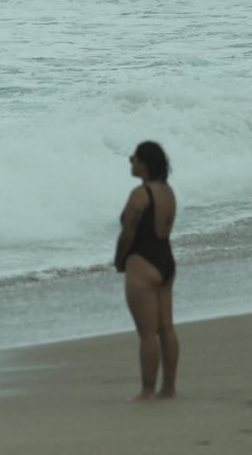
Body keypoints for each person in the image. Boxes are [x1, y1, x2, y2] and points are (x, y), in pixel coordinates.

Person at [114, 140, 178, 402]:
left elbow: (128, 233)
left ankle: (147, 391)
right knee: (166, 328)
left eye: (134, 158)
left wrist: (119, 260)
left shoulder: (140, 195)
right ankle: (169, 388)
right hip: (166, 261)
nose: (131, 162)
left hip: (142, 263)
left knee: (147, 333)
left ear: (144, 164)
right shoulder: (168, 192)